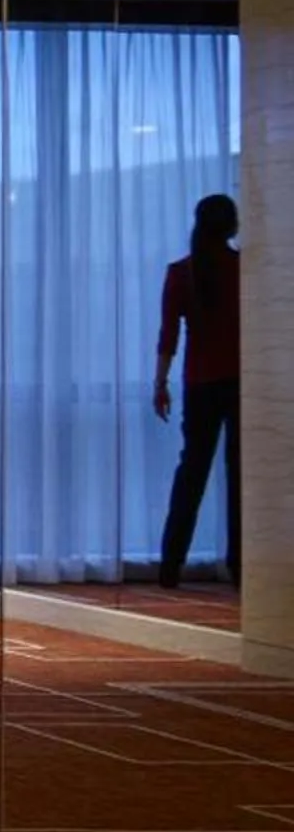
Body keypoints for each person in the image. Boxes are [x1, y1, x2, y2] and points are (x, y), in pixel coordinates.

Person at [153, 191, 240, 594]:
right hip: (242, 382)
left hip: (199, 382)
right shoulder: (243, 270)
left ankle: (170, 564)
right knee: (241, 477)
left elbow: (169, 336)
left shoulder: (181, 273)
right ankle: (242, 565)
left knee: (191, 474)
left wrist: (160, 382)